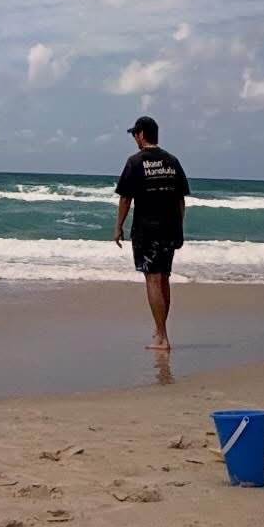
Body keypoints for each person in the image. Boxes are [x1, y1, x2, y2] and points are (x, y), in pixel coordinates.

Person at [114, 116, 190, 352]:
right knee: (163, 278)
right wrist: (180, 227)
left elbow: (126, 197)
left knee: (153, 279)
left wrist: (118, 226)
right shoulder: (172, 161)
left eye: (135, 135)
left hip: (147, 230)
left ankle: (162, 337)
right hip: (170, 228)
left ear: (141, 134)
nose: (134, 139)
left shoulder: (135, 162)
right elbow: (180, 200)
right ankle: (160, 331)